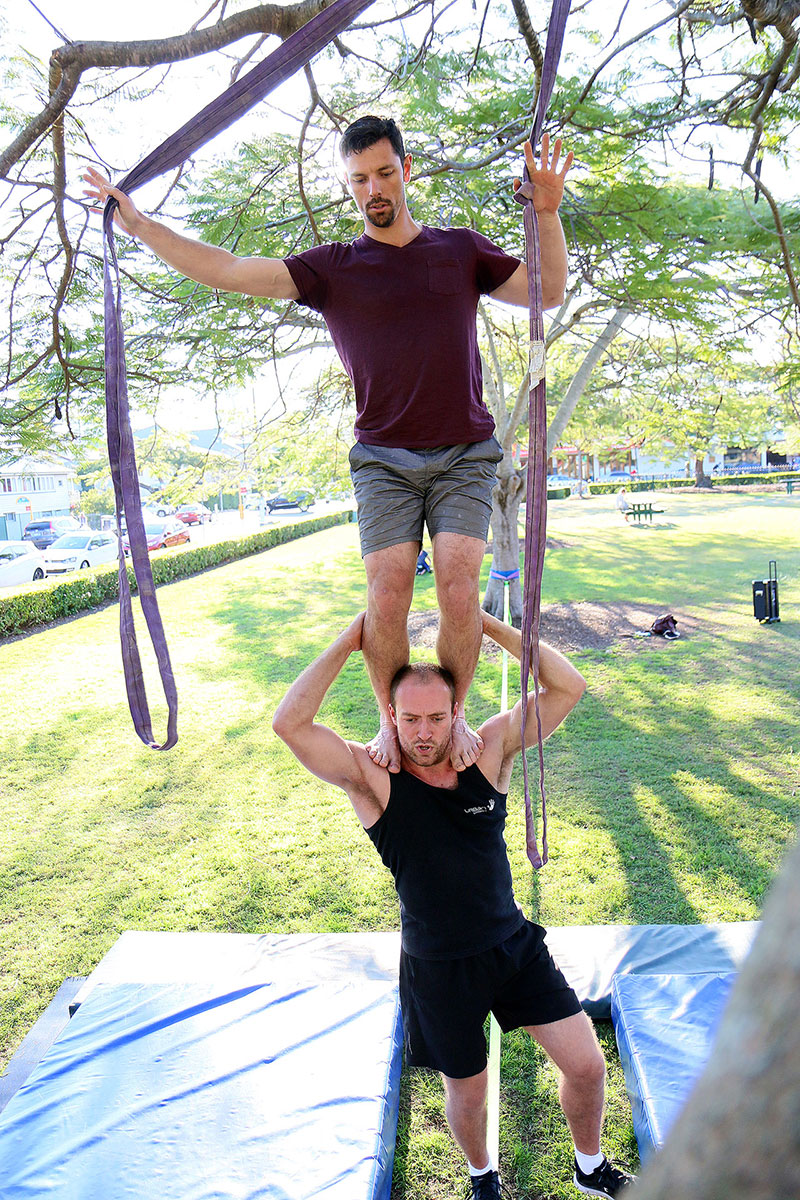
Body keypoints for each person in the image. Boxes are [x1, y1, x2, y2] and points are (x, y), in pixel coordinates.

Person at [83, 115, 573, 775]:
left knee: (458, 590)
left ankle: (449, 719)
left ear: (407, 170)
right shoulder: (333, 269)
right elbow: (228, 269)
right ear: (348, 187)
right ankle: (391, 718)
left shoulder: (459, 251)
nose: (373, 188)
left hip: (464, 452)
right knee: (388, 590)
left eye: (383, 172)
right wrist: (140, 226)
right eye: (359, 179)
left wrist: (547, 213)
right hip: (383, 462)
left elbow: (546, 288)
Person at [272, 609, 636, 1199]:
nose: (423, 732)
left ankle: (590, 1167)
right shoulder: (373, 776)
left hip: (513, 947)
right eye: (410, 718)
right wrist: (351, 638)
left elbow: (568, 686)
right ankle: (481, 1177)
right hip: (439, 966)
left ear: (455, 712)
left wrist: (483, 623)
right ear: (390, 716)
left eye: (437, 717)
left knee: (588, 1066)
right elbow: (290, 723)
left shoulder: (487, 752)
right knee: (468, 1090)